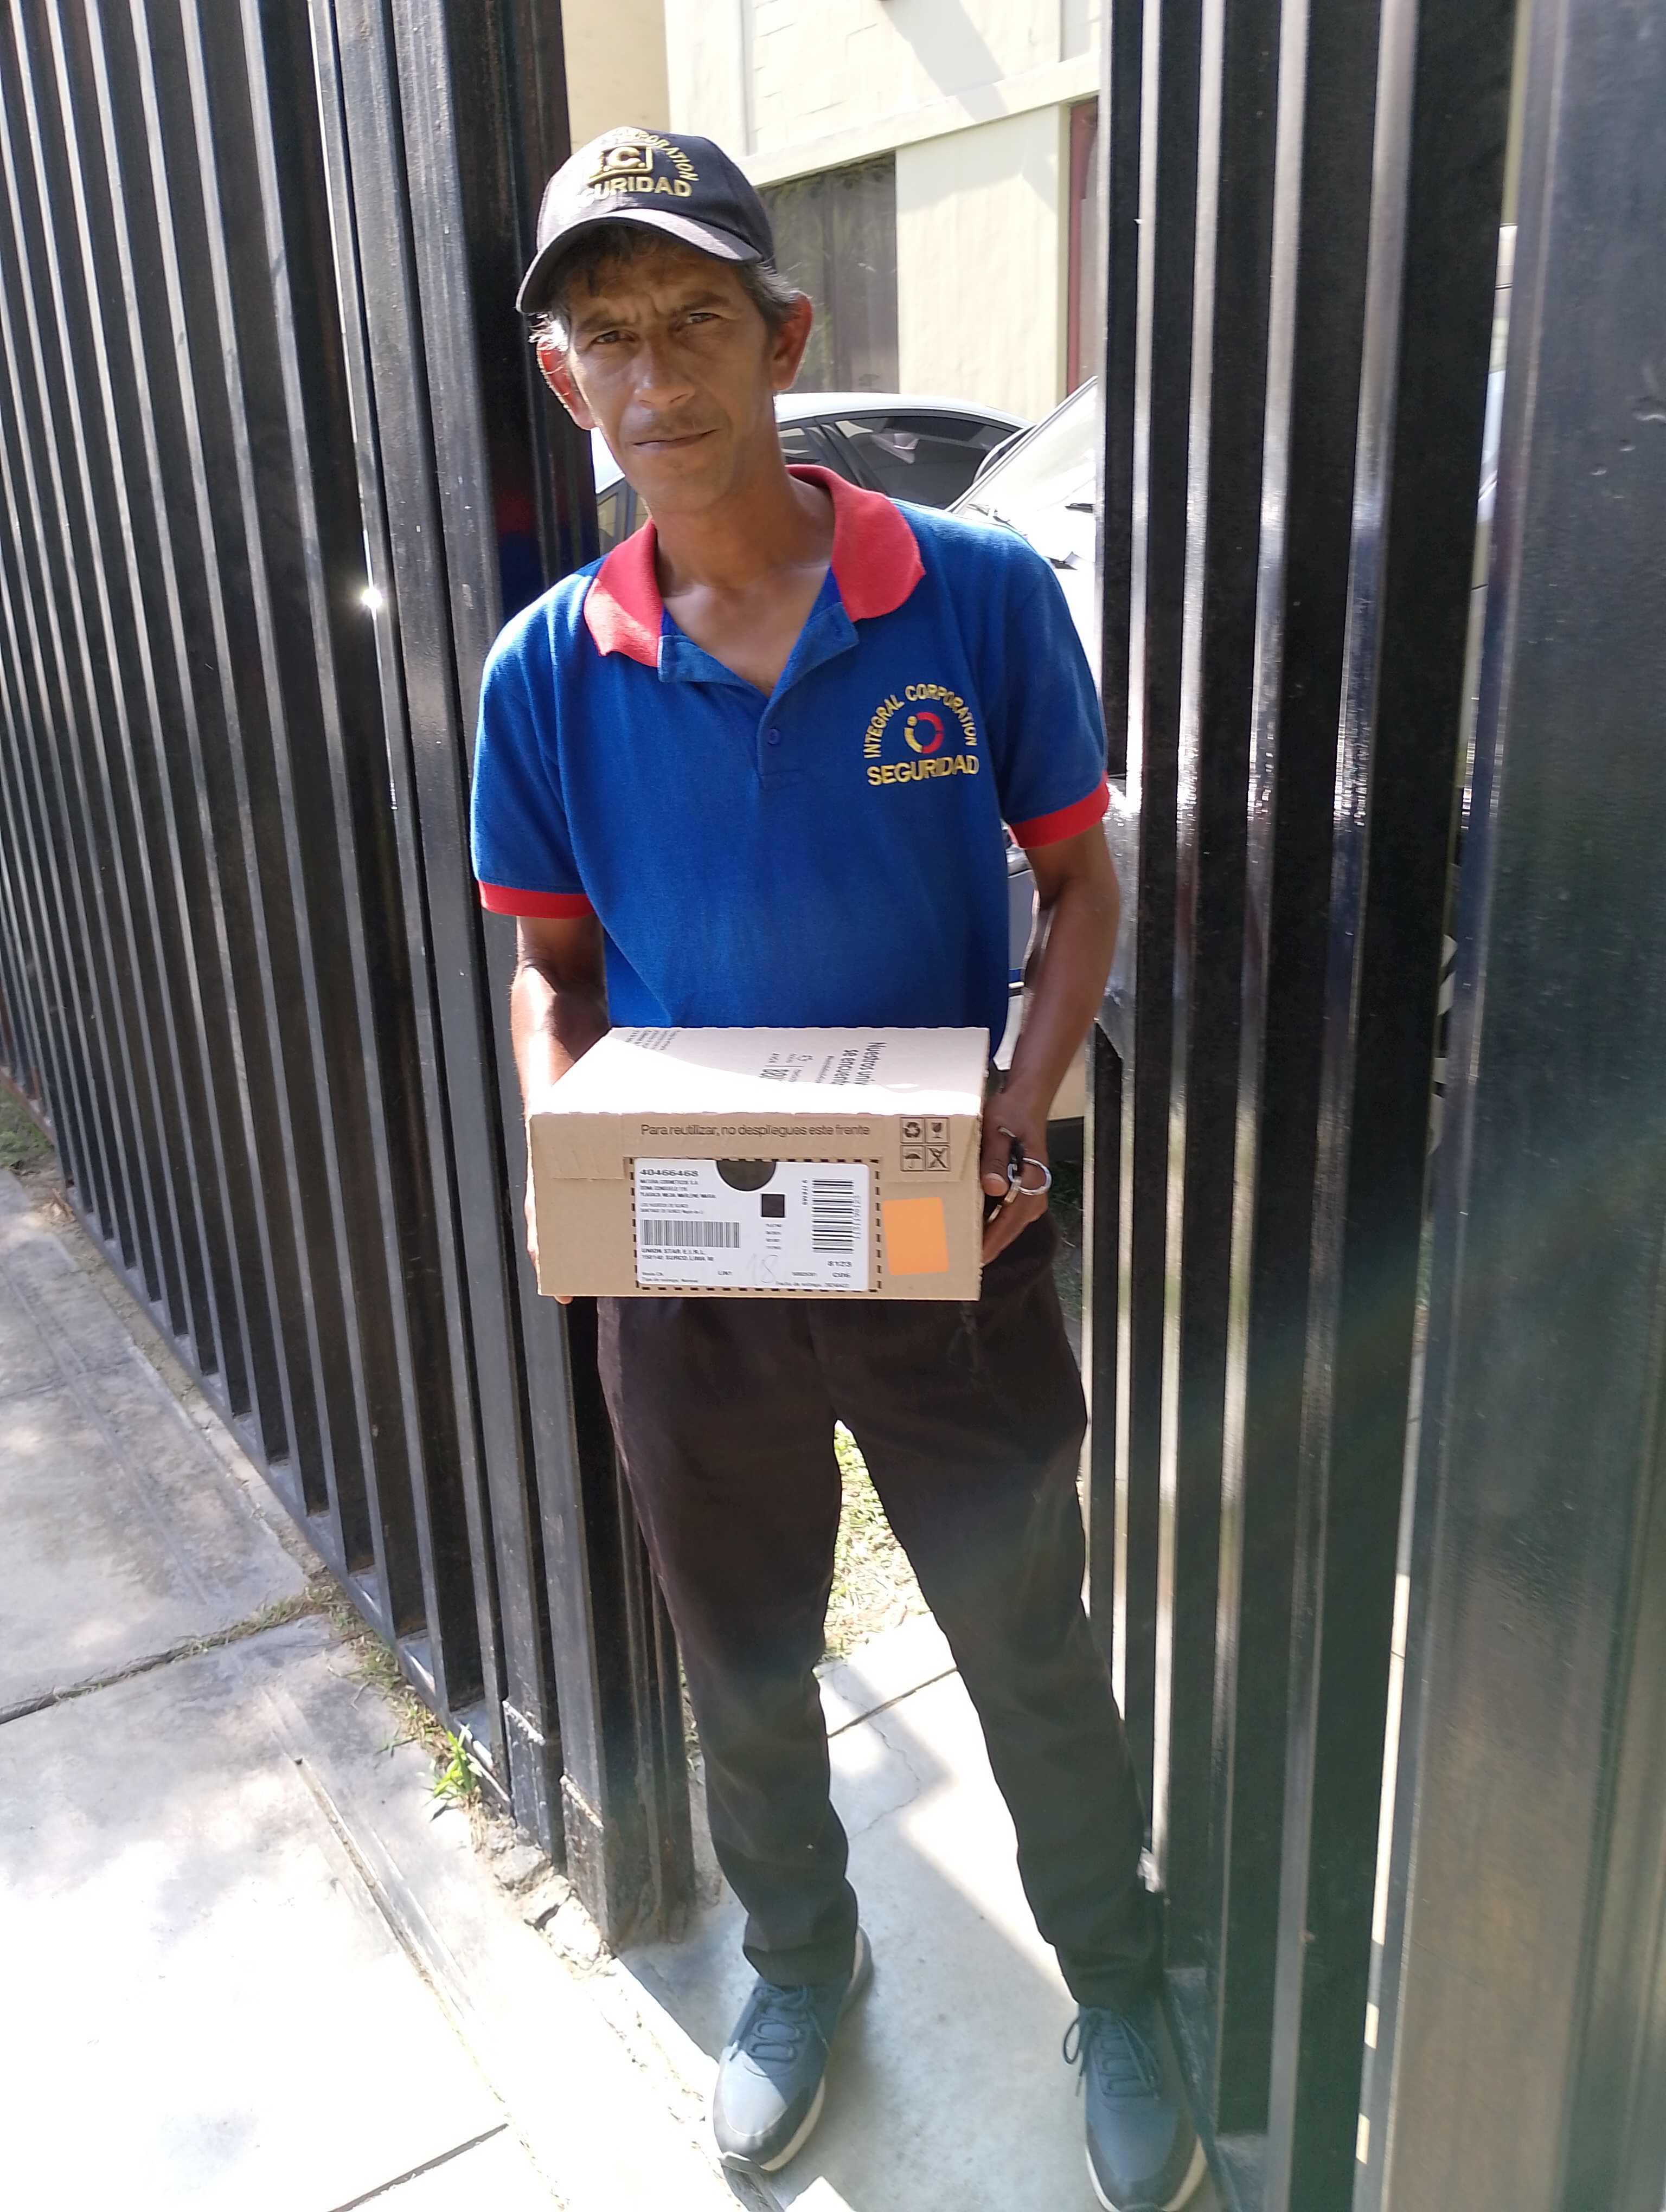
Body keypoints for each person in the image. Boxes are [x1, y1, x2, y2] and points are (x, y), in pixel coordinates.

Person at [470, 125, 1204, 2212]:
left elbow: (1080, 887)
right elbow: (553, 973)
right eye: (610, 335)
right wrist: (561, 1139)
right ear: (566, 381)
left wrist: (1017, 1103)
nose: (657, 370)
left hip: (946, 1239)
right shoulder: (548, 671)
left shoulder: (971, 595)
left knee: (1026, 1641)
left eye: (695, 317)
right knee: (744, 1662)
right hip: (692, 1276)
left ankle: (1116, 1979)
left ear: (783, 338)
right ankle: (801, 1968)